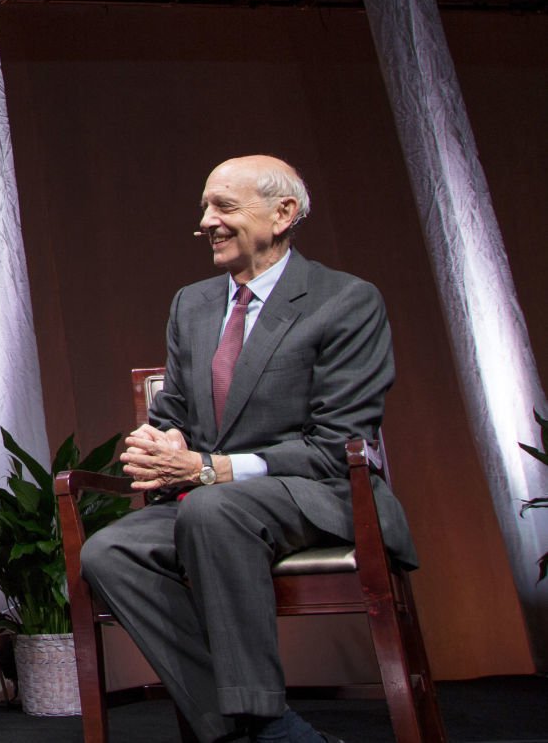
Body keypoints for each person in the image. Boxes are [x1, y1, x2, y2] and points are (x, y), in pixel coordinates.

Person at [79, 156, 416, 743]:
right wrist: (163, 442)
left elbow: (339, 443)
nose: (207, 221)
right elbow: (175, 411)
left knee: (212, 506)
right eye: (205, 208)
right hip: (217, 504)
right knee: (109, 552)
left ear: (283, 213)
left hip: (321, 494)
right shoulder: (193, 304)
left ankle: (260, 718)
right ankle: (252, 730)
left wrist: (215, 470)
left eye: (224, 207)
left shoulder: (346, 301)